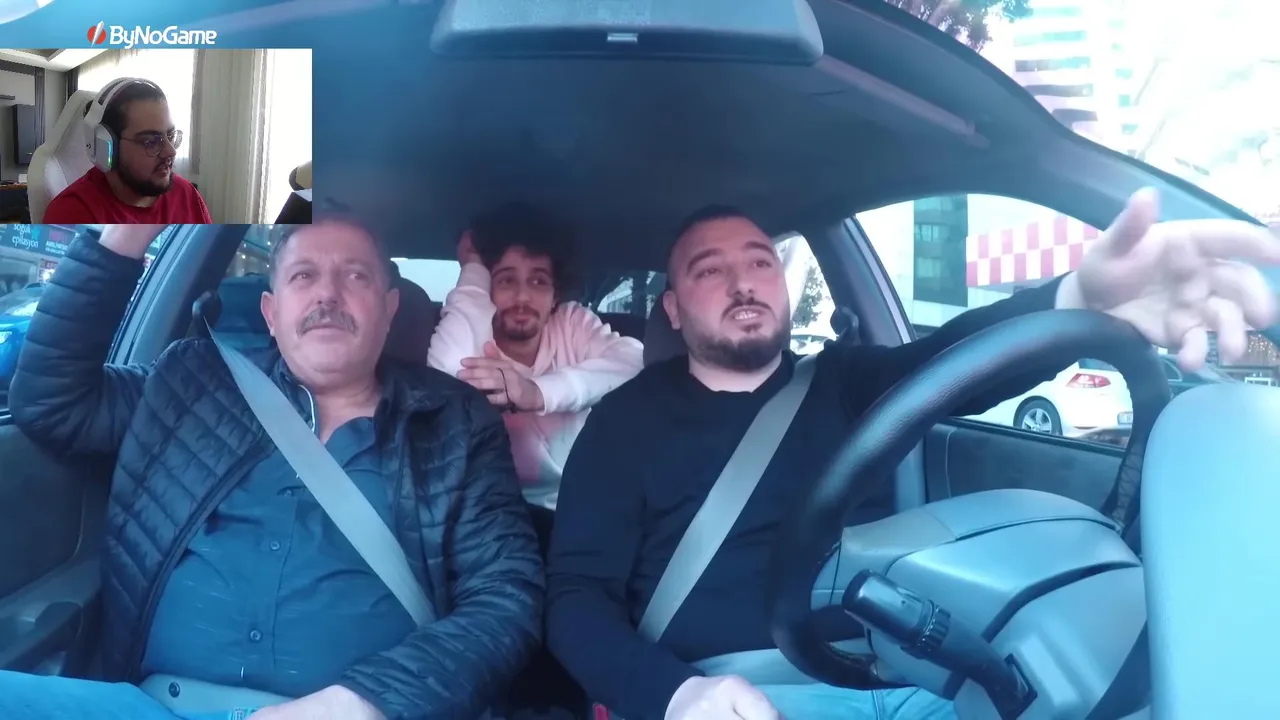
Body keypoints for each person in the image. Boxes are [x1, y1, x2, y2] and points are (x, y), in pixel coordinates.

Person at [545, 190, 1280, 720]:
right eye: (709, 270)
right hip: (731, 693)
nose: (743, 282)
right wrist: (674, 695)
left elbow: (954, 362)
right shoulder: (624, 423)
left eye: (761, 262)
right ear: (673, 309)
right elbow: (575, 601)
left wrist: (1077, 298)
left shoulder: (844, 380)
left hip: (908, 676)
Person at [1, 222, 543, 719]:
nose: (328, 294)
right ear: (270, 313)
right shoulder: (191, 382)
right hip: (151, 705)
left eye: (355, 275)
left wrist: (365, 702)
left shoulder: (454, 423)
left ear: (389, 309)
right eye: (304, 276)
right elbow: (52, 403)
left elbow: (506, 597)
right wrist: (125, 236)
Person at [428, 202, 644, 508]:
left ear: (556, 295)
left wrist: (535, 392)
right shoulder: (471, 328)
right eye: (506, 280)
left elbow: (635, 363)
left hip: (572, 506)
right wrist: (473, 268)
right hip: (486, 509)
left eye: (539, 281)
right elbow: (447, 375)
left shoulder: (571, 323)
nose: (522, 296)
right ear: (486, 287)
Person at [44, 78, 212, 224]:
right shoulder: (71, 213)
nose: (171, 152)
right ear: (106, 147)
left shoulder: (187, 195)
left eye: (170, 135)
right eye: (151, 141)